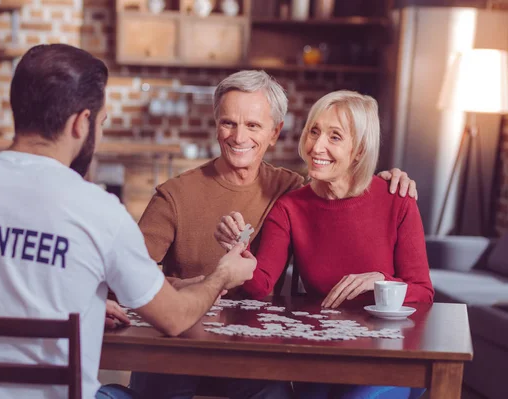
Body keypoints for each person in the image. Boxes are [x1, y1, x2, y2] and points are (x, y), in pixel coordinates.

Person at [0, 43, 257, 399]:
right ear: (81, 124)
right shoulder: (98, 210)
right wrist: (222, 275)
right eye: (102, 123)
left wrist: (81, 300)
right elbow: (175, 318)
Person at [131, 71, 418, 398]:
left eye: (253, 125)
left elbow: (342, 194)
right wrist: (183, 286)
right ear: (215, 125)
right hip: (177, 348)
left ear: (275, 133)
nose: (239, 137)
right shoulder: (174, 196)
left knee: (278, 392)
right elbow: (127, 275)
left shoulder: (290, 190)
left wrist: (387, 179)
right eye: (228, 123)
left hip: (252, 353)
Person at [215, 90, 433, 399]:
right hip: (322, 355)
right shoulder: (290, 207)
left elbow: (423, 291)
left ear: (358, 150)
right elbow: (261, 284)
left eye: (335, 137)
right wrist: (239, 253)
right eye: (314, 132)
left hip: (388, 355)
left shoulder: (396, 199)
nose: (317, 146)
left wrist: (382, 282)